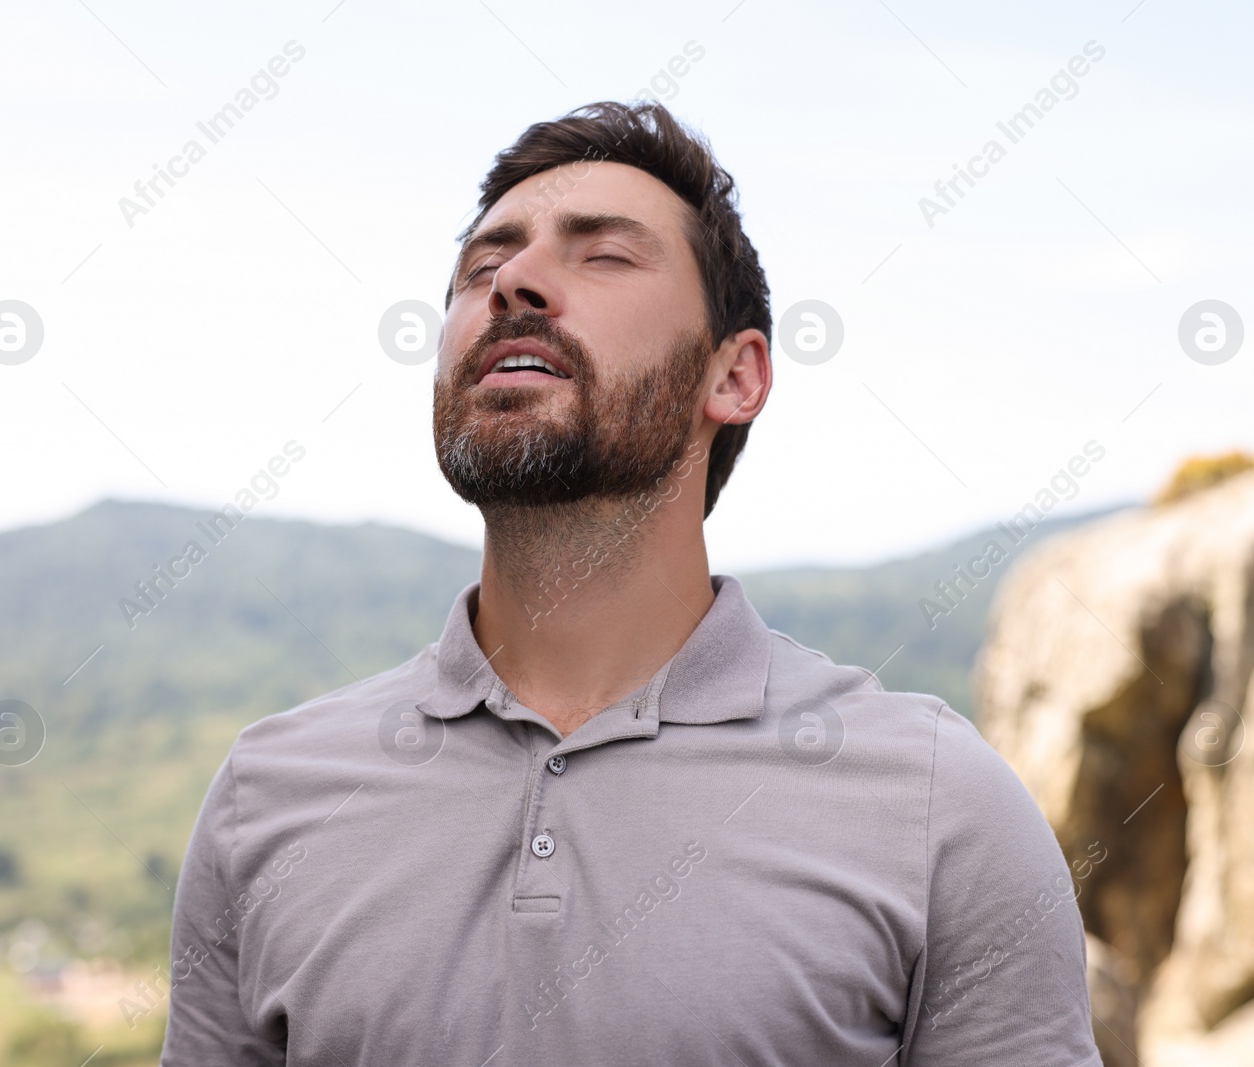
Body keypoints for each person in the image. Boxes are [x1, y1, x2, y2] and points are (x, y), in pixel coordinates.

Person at [161, 100, 1101, 1066]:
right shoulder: (267, 795)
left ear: (735, 376)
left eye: (602, 254)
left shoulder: (938, 807)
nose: (514, 283)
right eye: (481, 268)